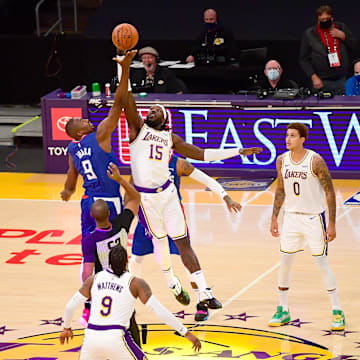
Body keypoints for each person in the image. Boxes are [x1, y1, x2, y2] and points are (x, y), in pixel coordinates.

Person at [115, 49, 262, 321]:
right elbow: (125, 98)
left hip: (168, 196)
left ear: (165, 120)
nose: (154, 108)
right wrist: (125, 69)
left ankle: (204, 292)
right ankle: (171, 282)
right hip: (146, 200)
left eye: (159, 109)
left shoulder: (171, 139)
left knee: (183, 244)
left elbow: (203, 155)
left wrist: (237, 151)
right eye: (153, 108)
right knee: (159, 247)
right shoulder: (137, 130)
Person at [129, 154, 241, 310]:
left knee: (185, 256)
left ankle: (202, 300)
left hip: (172, 216)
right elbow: (130, 191)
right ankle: (132, 300)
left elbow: (206, 179)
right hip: (149, 216)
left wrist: (226, 197)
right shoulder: (141, 162)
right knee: (136, 258)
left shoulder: (177, 163)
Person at [60, 244, 201, 359]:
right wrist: (186, 333)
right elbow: (160, 311)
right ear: (127, 261)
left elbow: (69, 307)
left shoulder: (94, 279)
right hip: (116, 337)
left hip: (91, 337)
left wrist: (66, 327)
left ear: (108, 262)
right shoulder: (135, 283)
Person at [269, 122, 345, 331]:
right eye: (287, 135)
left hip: (313, 218)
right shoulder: (281, 160)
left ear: (303, 139)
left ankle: (337, 311)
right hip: (291, 218)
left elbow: (329, 192)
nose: (288, 139)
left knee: (321, 263)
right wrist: (274, 217)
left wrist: (331, 222)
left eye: (293, 136)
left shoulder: (315, 161)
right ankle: (283, 309)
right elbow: (281, 190)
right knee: (285, 261)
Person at [60, 51, 134, 237]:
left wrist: (68, 190)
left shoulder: (72, 149)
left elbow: (72, 173)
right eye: (82, 121)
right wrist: (125, 70)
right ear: (79, 132)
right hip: (108, 200)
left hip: (88, 201)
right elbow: (118, 103)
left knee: (89, 246)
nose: (86, 120)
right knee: (114, 246)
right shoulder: (100, 135)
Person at [80, 162, 141, 339]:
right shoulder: (121, 223)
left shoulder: (89, 239)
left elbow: (86, 272)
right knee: (130, 322)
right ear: (109, 214)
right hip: (124, 281)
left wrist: (88, 297)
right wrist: (119, 179)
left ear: (92, 217)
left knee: (104, 327)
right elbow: (135, 198)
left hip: (103, 285)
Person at [299, 5, 357, 95]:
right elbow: (303, 59)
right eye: (322, 20)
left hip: (341, 79)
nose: (325, 21)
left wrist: (344, 37)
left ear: (332, 18)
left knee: (342, 106)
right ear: (318, 20)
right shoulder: (310, 34)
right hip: (320, 79)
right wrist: (313, 76)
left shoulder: (341, 28)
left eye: (327, 19)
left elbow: (355, 47)